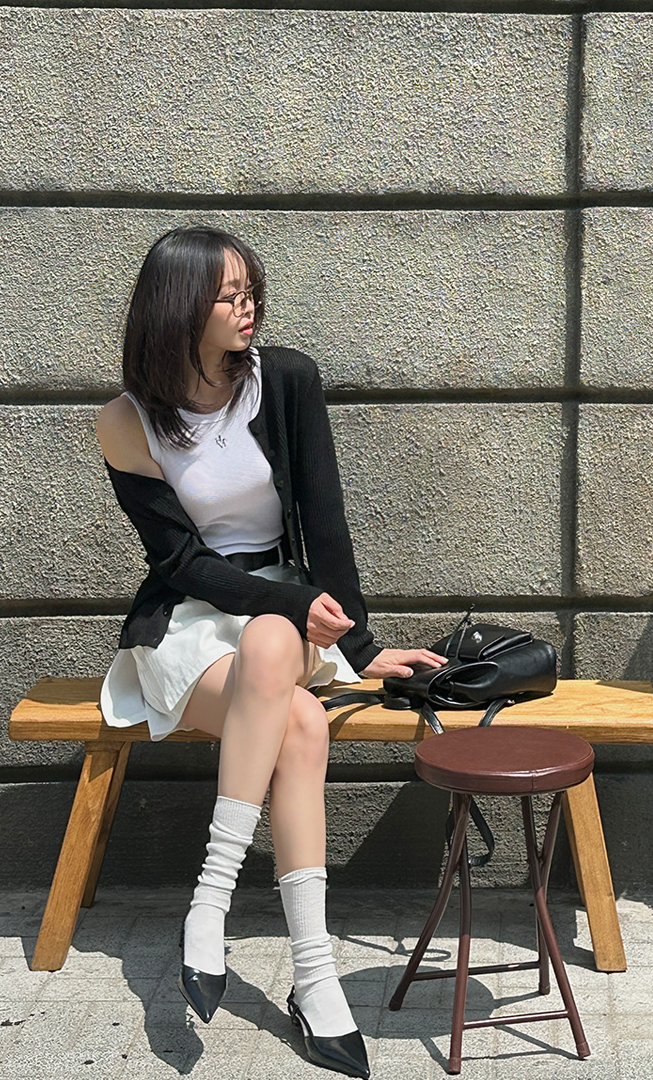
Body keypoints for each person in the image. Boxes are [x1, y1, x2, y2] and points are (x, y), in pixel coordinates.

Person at [95, 226, 446, 1079]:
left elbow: (325, 520)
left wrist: (361, 644)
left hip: (286, 617)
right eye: (227, 294)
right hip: (189, 623)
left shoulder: (285, 380)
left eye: (250, 288)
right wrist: (294, 607)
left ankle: (210, 904)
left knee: (276, 639)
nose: (247, 305)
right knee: (301, 722)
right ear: (178, 306)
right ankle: (314, 976)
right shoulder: (126, 420)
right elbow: (180, 561)